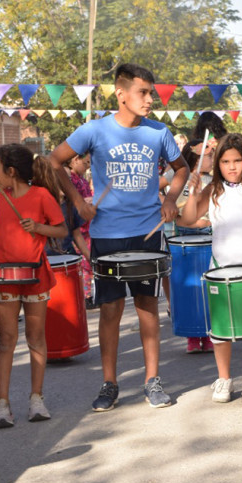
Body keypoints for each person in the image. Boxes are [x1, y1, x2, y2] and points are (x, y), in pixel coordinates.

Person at [49, 63, 189, 412]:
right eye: (143, 92)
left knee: (147, 307)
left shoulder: (158, 133)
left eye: (151, 92)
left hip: (146, 233)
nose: (149, 99)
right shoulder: (94, 130)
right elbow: (53, 161)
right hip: (107, 235)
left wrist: (170, 198)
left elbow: (182, 167)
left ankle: (152, 381)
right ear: (121, 93)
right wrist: (78, 200)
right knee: (110, 310)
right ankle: (109, 383)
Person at [179, 133, 242, 407]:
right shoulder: (212, 190)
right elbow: (188, 219)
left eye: (237, 160)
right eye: (225, 161)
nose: (232, 166)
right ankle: (224, 378)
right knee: (221, 330)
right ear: (218, 163)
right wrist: (191, 192)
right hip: (220, 268)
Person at [0, 144, 67, 428]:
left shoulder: (42, 195)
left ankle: (37, 398)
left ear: (11, 171)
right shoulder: (0, 198)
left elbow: (61, 229)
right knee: (6, 340)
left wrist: (38, 227)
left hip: (35, 277)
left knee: (35, 339)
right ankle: (2, 404)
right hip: (4, 275)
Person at [174, 140, 215, 354]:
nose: (212, 159)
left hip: (209, 239)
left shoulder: (214, 181)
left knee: (208, 289)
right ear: (196, 160)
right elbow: (182, 220)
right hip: (187, 242)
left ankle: (208, 333)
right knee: (191, 290)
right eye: (208, 156)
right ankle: (192, 335)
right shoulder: (183, 182)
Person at [66, 152, 95, 307]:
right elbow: (70, 201)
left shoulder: (82, 180)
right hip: (79, 227)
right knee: (83, 264)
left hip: (88, 226)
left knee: (88, 263)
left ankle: (88, 294)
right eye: (85, 163)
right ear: (75, 160)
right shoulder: (69, 180)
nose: (87, 167)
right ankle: (85, 296)